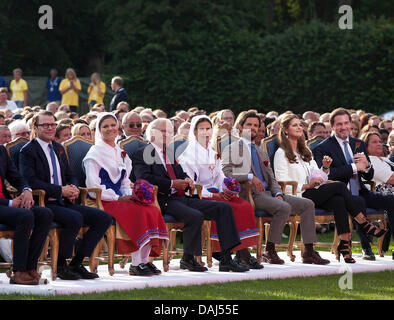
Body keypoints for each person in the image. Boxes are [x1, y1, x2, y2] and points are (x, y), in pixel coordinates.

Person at [131, 118, 248, 272]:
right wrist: (173, 184)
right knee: (195, 216)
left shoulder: (169, 153)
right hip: (163, 200)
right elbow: (144, 179)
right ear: (152, 133)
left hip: (181, 197)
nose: (166, 134)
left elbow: (180, 173)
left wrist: (187, 180)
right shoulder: (143, 153)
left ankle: (226, 259)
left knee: (223, 208)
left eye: (169, 131)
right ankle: (188, 258)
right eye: (162, 131)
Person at [274, 114, 386, 263]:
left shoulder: (305, 151)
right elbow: (282, 183)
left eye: (300, 125)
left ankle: (345, 246)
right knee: (339, 186)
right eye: (295, 125)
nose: (299, 127)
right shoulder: (281, 153)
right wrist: (308, 185)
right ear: (286, 130)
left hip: (313, 191)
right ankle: (363, 223)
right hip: (297, 194)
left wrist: (325, 169)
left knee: (339, 200)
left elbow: (317, 174)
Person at [222, 111, 329, 265]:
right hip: (251, 194)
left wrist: (278, 192)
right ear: (240, 127)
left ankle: (309, 251)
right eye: (249, 125)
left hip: (270, 194)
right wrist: (250, 177)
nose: (253, 128)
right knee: (283, 207)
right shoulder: (232, 148)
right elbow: (226, 173)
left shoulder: (260, 151)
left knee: (307, 204)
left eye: (256, 125)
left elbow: (271, 178)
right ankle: (270, 250)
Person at [19, 110, 112, 280]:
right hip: (44, 202)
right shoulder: (28, 151)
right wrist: (60, 190)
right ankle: (61, 265)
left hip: (65, 201)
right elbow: (30, 181)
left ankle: (76, 263)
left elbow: (71, 175)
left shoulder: (58, 147)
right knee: (74, 218)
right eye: (45, 125)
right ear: (35, 127)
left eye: (52, 124)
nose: (50, 128)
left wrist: (74, 188)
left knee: (103, 218)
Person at [83, 112, 169, 276]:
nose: (110, 129)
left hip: (119, 199)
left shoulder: (119, 152)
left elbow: (124, 182)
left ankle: (145, 260)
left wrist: (134, 195)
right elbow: (93, 186)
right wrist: (118, 197)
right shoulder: (93, 154)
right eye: (105, 126)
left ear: (118, 127)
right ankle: (135, 264)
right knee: (136, 212)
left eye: (112, 125)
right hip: (101, 200)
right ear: (99, 131)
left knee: (150, 208)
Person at [178, 115, 262, 269]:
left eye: (208, 128)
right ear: (195, 131)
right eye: (201, 129)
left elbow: (219, 176)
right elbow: (190, 184)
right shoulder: (187, 154)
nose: (205, 132)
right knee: (230, 207)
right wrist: (213, 194)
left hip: (216, 192)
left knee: (243, 205)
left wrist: (228, 188)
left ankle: (241, 252)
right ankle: (232, 254)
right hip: (200, 194)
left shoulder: (211, 151)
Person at [313, 108, 394, 261]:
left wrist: (367, 166)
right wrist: (354, 167)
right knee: (359, 202)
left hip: (361, 189)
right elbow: (327, 175)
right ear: (332, 126)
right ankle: (366, 247)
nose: (343, 127)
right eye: (339, 124)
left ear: (350, 124)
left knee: (391, 200)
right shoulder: (323, 148)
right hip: (339, 194)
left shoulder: (358, 143)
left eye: (346, 123)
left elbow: (368, 174)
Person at [0, 144, 53, 285]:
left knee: (44, 213)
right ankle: (18, 271)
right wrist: (10, 203)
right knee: (25, 216)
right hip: (5, 205)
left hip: (5, 203)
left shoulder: (1, 150)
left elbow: (16, 177)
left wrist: (26, 189)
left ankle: (30, 268)